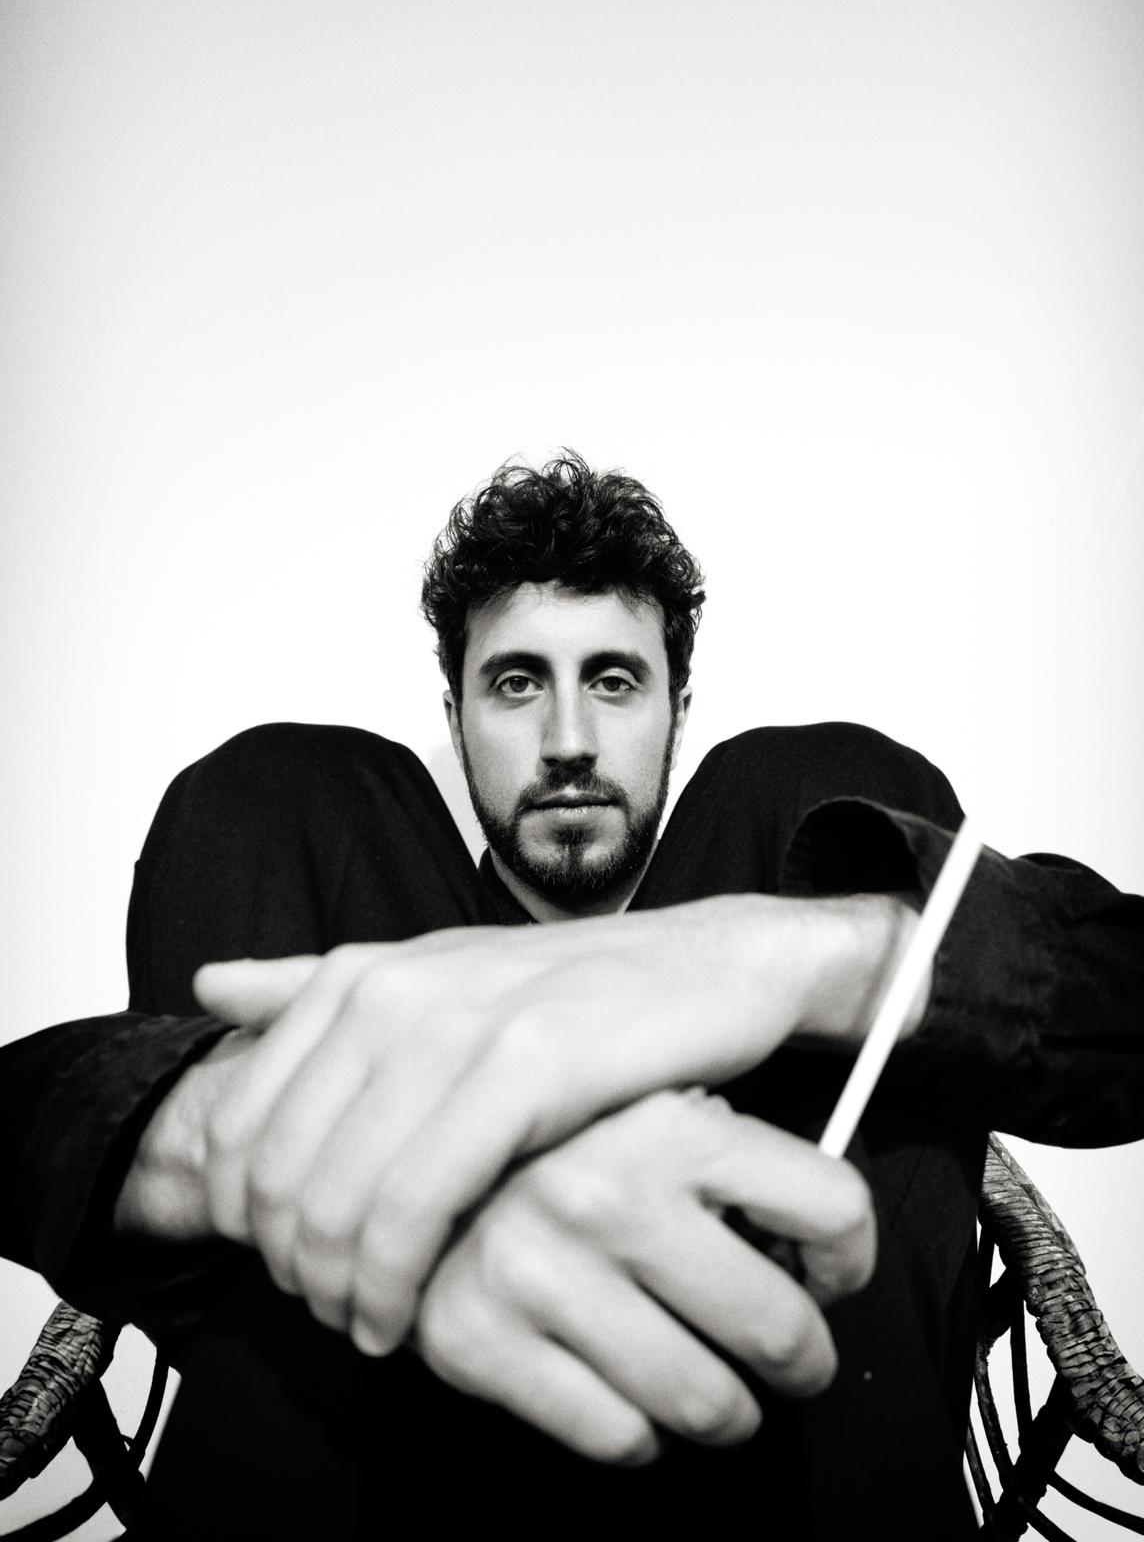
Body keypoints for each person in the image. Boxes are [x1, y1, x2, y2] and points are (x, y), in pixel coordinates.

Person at [4, 453, 1142, 1539]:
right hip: (376, 1468)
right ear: (455, 717)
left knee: (824, 777)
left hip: (772, 1476)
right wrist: (238, 1115)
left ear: (676, 710)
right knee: (277, 783)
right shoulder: (330, 850)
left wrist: (825, 958)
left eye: (613, 680)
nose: (567, 742)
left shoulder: (768, 827)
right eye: (515, 684)